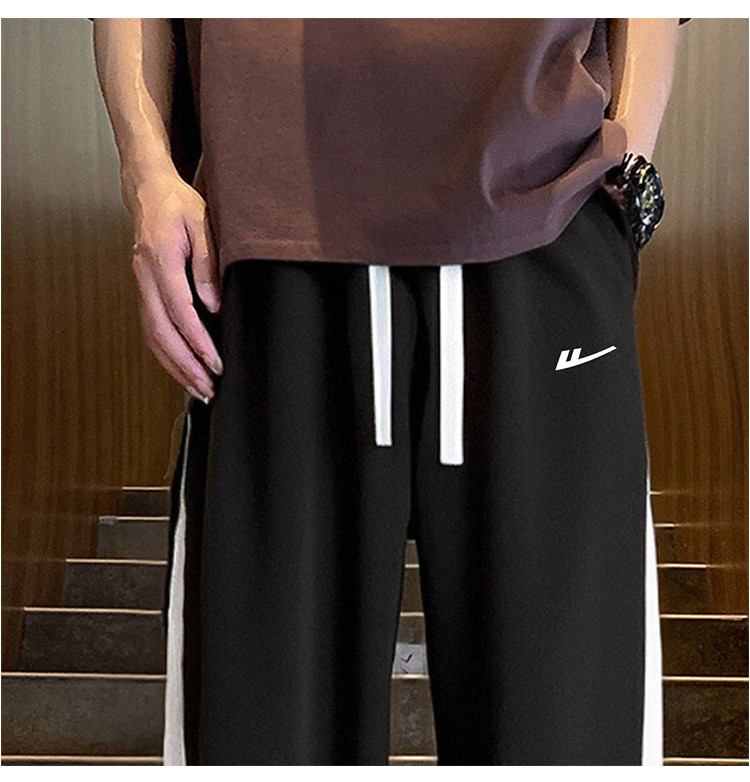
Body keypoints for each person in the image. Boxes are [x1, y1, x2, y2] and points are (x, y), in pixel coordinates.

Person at [93, 18, 686, 765]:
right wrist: (147, 171)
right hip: (273, 223)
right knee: (262, 742)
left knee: (567, 741)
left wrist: (628, 165)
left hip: (546, 209)